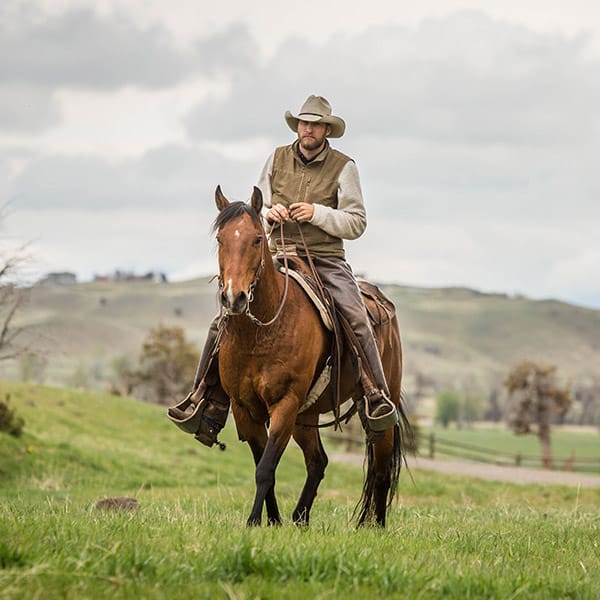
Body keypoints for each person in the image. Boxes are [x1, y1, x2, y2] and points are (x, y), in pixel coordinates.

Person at [168, 95, 398, 447]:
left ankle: (375, 396)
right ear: (298, 127)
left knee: (356, 316)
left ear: (326, 130)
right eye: (304, 123)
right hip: (278, 255)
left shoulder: (344, 167)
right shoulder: (276, 158)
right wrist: (271, 213)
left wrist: (317, 214)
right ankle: (204, 401)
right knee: (224, 320)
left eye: (316, 124)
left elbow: (357, 222)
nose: (308, 129)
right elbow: (261, 204)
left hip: (326, 260)